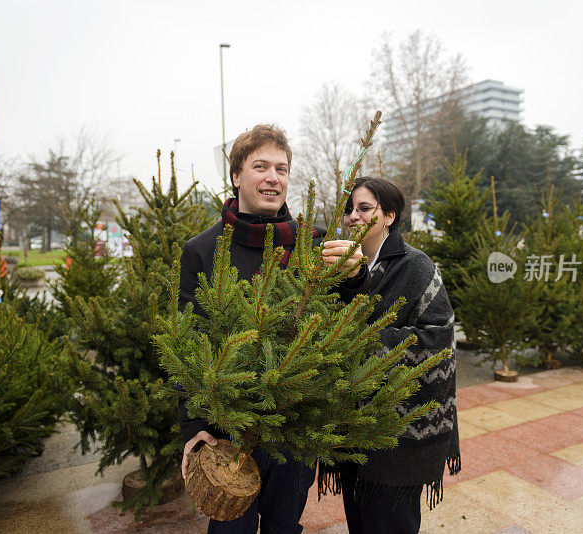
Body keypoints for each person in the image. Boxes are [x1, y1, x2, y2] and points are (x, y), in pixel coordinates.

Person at [177, 124, 370, 534]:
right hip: (227, 432)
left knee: (285, 527)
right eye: (260, 166)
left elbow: (346, 322)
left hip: (293, 435)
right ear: (236, 176)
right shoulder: (202, 250)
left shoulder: (314, 243)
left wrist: (355, 277)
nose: (273, 177)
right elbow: (186, 344)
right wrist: (193, 428)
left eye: (281, 169)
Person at [318, 176, 460, 534]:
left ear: (389, 216)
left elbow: (439, 339)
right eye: (349, 209)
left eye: (365, 208)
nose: (352, 216)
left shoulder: (416, 266)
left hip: (400, 436)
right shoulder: (337, 267)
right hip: (350, 427)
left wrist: (366, 342)